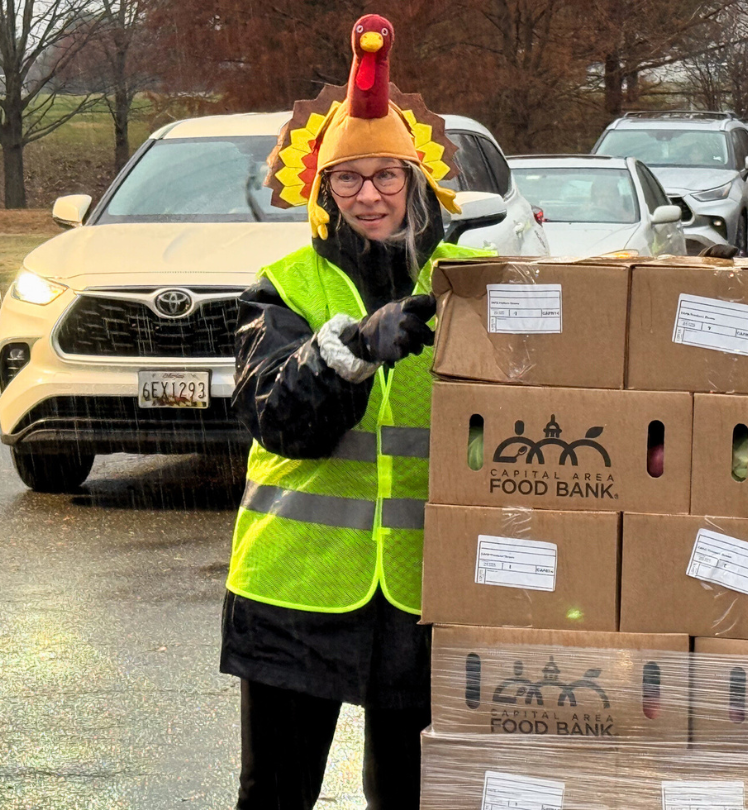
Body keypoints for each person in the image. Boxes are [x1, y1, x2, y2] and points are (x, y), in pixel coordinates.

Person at [220, 14, 492, 810]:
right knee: (275, 796)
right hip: (295, 590)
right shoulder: (285, 286)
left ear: (416, 180)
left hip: (428, 596)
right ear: (322, 190)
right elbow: (278, 419)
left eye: (385, 176)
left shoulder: (476, 283)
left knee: (412, 799)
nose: (368, 195)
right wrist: (352, 350)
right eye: (348, 179)